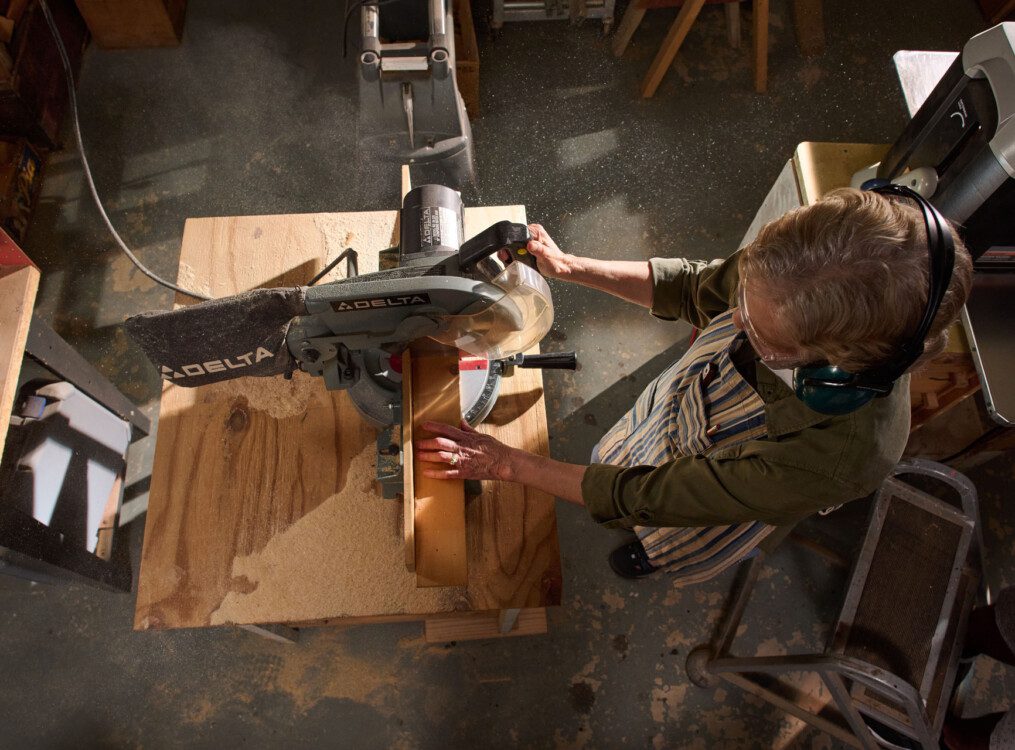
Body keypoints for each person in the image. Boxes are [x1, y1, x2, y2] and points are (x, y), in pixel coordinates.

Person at [415, 187, 973, 582]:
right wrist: (570, 266)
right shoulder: (792, 268)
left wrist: (507, 464)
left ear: (831, 371)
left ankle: (653, 556)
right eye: (743, 308)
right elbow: (695, 289)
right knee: (622, 457)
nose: (733, 324)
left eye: (760, 334)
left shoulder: (837, 454)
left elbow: (652, 495)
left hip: (714, 496)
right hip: (679, 416)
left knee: (664, 528)